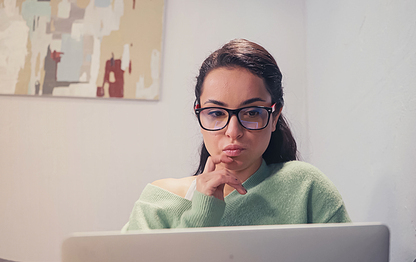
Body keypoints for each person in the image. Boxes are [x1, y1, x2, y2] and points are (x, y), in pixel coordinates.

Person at [122, 39, 350, 231]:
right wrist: (201, 215)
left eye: (251, 112)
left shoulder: (305, 186)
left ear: (274, 116)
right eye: (216, 113)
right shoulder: (159, 202)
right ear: (199, 115)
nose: (233, 132)